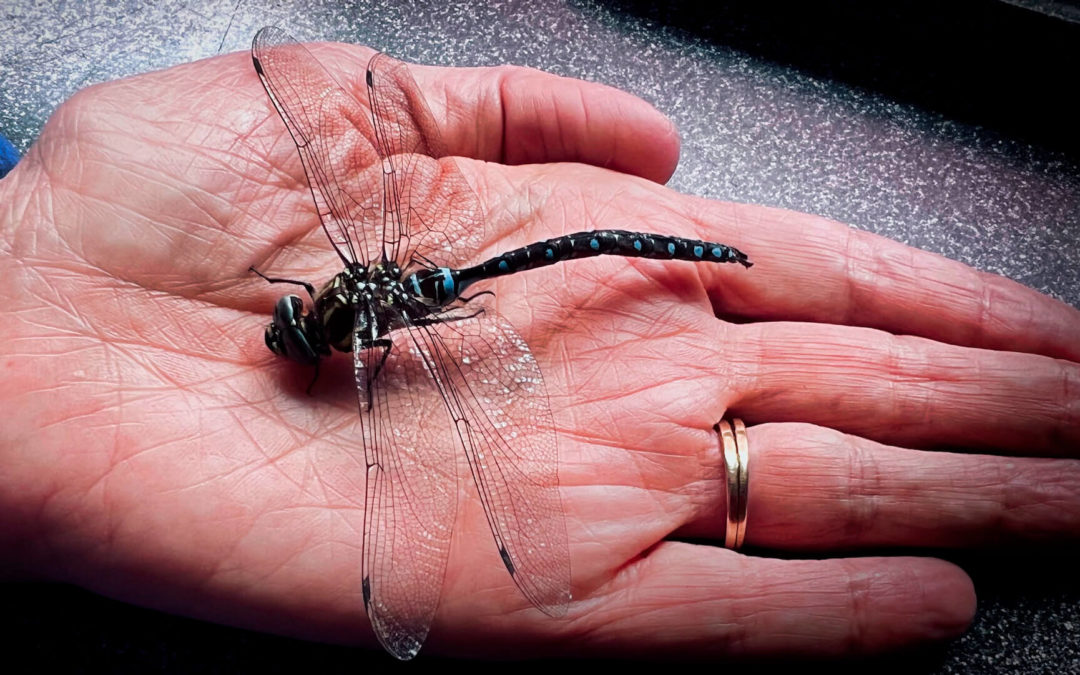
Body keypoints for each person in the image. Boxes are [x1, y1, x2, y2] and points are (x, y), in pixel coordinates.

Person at [0, 39, 1076, 660]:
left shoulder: (363, 344)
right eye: (296, 333)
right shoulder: (340, 308)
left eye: (295, 332)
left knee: (601, 245)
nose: (289, 334)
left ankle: (680, 252)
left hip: (467, 288)